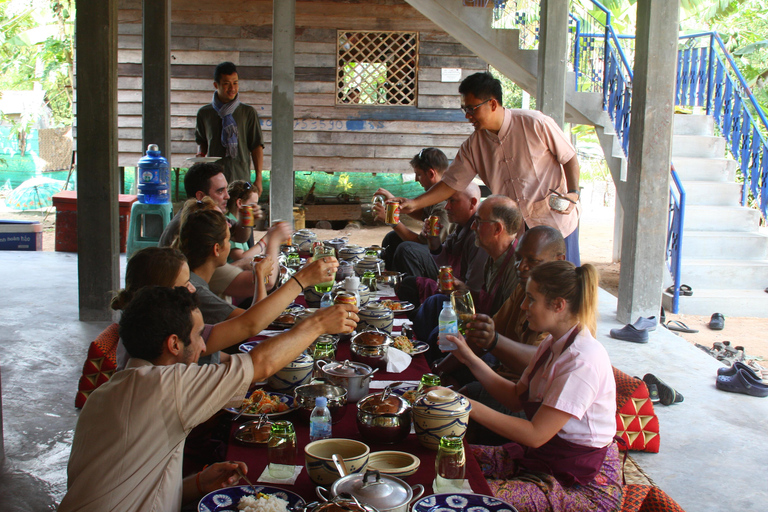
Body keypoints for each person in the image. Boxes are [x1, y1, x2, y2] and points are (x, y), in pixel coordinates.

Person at [59, 286, 357, 511]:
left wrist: (198, 484)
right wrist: (318, 324)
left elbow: (133, 486)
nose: (204, 346)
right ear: (174, 344)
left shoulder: (108, 392)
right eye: (200, 334)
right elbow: (261, 365)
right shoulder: (167, 386)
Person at [448, 261, 622, 511]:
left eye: (531, 299)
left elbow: (535, 435)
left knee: (467, 494)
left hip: (583, 484)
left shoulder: (582, 361)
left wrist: (463, 404)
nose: (523, 306)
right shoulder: (553, 344)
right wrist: (469, 358)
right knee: (448, 458)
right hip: (547, 460)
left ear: (558, 305)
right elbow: (515, 396)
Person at [397, 71, 582, 265]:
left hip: (556, 223)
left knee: (564, 285)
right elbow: (451, 184)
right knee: (527, 288)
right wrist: (415, 204)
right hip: (517, 231)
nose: (467, 116)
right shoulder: (473, 146)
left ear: (493, 104)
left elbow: (569, 157)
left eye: (472, 108)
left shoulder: (535, 123)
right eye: (464, 110)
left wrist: (574, 193)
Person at [111, 245, 334, 371]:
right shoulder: (162, 336)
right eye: (183, 285)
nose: (192, 290)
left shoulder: (150, 322)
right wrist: (302, 280)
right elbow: (250, 324)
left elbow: (222, 356)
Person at [435, 225, 566, 420]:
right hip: (510, 386)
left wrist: (494, 341)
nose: (521, 267)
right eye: (519, 258)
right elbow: (482, 339)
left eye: (533, 261)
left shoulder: (561, 305)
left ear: (559, 260)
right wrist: (439, 369)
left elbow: (542, 362)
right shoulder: (524, 288)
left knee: (451, 409)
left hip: (533, 403)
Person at [410, 195, 522, 362]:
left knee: (442, 334)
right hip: (483, 323)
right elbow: (484, 300)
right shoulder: (491, 256)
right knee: (435, 302)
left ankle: (429, 370)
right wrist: (464, 291)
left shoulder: (515, 268)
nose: (474, 227)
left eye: (479, 222)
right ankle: (412, 351)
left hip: (497, 343)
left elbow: (499, 324)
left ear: (498, 229)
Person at [158, 162, 289, 301]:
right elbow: (266, 282)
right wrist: (272, 239)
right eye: (220, 191)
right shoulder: (196, 227)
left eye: (226, 189)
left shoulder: (204, 214)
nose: (227, 196)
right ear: (201, 196)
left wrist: (246, 218)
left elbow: (239, 236)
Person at [396, 182, 487, 308]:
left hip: (467, 299)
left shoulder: (478, 234)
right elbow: (446, 262)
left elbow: (472, 292)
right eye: (446, 201)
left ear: (472, 203)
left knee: (407, 252)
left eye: (453, 201)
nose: (446, 207)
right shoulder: (460, 226)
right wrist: (434, 241)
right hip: (454, 286)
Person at [372, 148, 451, 272]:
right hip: (436, 254)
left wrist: (393, 220)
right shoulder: (435, 197)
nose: (416, 179)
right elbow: (422, 214)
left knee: (407, 249)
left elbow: (425, 244)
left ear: (431, 173)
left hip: (445, 264)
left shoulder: (444, 206)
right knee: (392, 238)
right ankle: (390, 279)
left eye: (418, 174)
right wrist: (395, 202)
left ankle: (414, 286)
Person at [196, 61, 265, 192]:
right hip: (214, 178)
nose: (232, 88)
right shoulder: (205, 113)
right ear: (216, 85)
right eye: (226, 84)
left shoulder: (247, 112)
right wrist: (200, 155)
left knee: (240, 211)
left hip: (240, 175)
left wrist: (259, 178)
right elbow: (201, 142)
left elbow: (257, 146)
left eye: (235, 83)